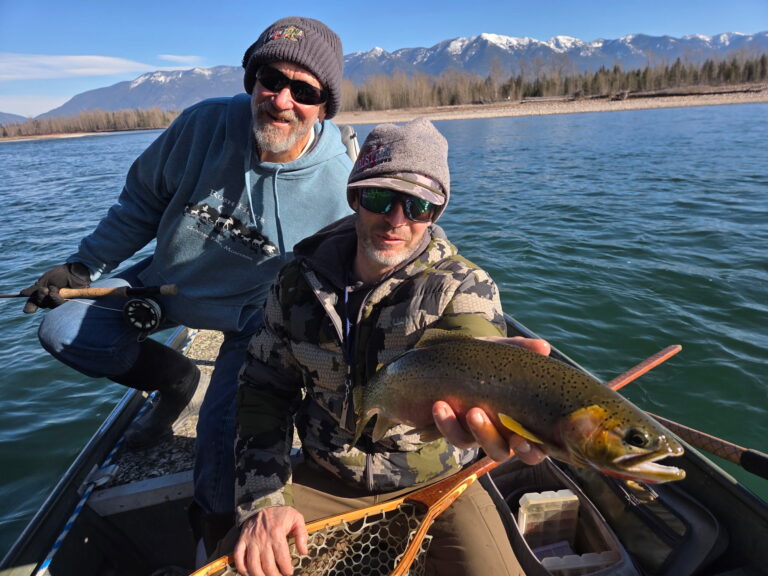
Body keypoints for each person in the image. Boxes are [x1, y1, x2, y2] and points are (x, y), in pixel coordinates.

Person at [20, 16, 354, 556]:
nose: (281, 100)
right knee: (61, 330)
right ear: (252, 80)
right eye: (270, 79)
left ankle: (213, 539)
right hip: (164, 284)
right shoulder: (203, 123)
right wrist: (82, 268)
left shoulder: (340, 187)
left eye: (304, 91)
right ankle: (175, 381)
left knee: (220, 450)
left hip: (251, 316)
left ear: (323, 105)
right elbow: (141, 205)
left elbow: (335, 290)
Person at [229, 118, 548, 576]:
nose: (397, 220)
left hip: (440, 482)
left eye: (418, 206)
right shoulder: (296, 284)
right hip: (328, 476)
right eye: (380, 198)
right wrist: (265, 500)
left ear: (435, 213)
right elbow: (264, 389)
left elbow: (476, 337)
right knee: (241, 560)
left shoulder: (462, 285)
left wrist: (502, 382)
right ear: (355, 197)